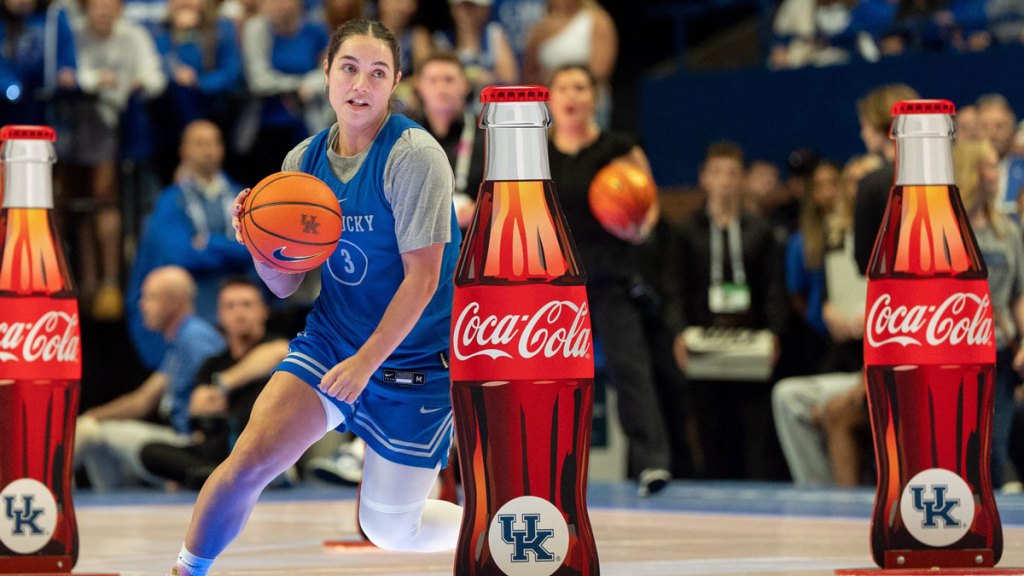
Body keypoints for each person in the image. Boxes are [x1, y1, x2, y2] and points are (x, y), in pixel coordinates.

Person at [167, 19, 462, 576]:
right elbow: (284, 284)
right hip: (333, 342)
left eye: (378, 73)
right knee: (250, 459)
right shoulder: (302, 162)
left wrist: (365, 364)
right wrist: (258, 241)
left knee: (389, 529)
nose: (361, 84)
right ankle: (186, 570)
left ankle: (492, 527)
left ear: (395, 82)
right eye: (349, 68)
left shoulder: (415, 156)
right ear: (326, 73)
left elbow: (422, 281)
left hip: (416, 361)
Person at [546, 63, 671, 495]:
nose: (572, 95)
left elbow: (648, 204)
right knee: (551, 377)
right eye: (563, 86)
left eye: (581, 87)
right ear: (550, 98)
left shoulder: (619, 148)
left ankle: (651, 463)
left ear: (594, 97)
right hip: (558, 283)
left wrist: (640, 225)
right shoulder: (540, 155)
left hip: (611, 278)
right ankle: (547, 463)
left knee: (628, 368)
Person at [666, 141, 789, 481]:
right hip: (704, 342)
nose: (724, 181)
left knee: (755, 436)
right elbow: (674, 288)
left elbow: (774, 289)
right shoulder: (685, 232)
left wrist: (776, 334)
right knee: (710, 433)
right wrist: (678, 334)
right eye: (717, 173)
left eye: (732, 174)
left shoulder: (761, 233)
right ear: (704, 178)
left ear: (743, 180)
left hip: (751, 342)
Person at [772, 154, 877, 486]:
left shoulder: (902, 239)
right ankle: (817, 493)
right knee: (788, 397)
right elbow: (822, 302)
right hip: (843, 359)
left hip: (881, 372)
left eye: (867, 183)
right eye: (853, 182)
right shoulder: (835, 238)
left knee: (835, 409)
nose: (858, 190)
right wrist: (831, 312)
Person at [75, 266, 226, 491]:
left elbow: (217, 396)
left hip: (188, 445)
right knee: (91, 427)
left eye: (150, 297)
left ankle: (47, 487)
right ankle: (113, 502)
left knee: (90, 432)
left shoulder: (195, 339)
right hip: (175, 436)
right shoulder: (181, 339)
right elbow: (143, 400)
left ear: (174, 301)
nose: (141, 304)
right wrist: (94, 415)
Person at [63, 0, 166, 319]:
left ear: (119, 10)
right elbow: (66, 75)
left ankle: (110, 282)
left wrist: (137, 83)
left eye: (110, 7)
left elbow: (155, 78)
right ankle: (86, 283)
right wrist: (94, 80)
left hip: (120, 130)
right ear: (87, 10)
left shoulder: (133, 35)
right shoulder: (73, 34)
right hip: (74, 124)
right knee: (80, 206)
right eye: (98, 7)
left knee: (106, 202)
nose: (104, 13)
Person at [141, 276, 289, 490]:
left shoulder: (276, 346)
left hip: (264, 450)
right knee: (151, 451)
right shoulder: (212, 363)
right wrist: (199, 410)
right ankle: (208, 476)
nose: (239, 312)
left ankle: (214, 478)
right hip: (219, 453)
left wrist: (223, 383)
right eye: (230, 306)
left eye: (247, 305)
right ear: (220, 315)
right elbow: (199, 412)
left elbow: (278, 352)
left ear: (263, 311)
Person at [126, 119, 253, 369]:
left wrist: (207, 244)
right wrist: (232, 248)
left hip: (235, 322)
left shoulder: (243, 196)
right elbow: (181, 254)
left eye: (215, 142)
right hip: (192, 319)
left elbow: (256, 250)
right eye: (200, 143)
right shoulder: (169, 201)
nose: (209, 150)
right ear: (184, 151)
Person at [951, 138, 1024, 489]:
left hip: (1000, 351)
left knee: (994, 447)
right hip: (958, 353)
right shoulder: (948, 231)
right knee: (962, 446)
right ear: (971, 171)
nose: (997, 174)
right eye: (990, 166)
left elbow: (1018, 296)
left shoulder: (1007, 231)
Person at [412, 51, 485, 230]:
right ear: (419, 86)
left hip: (471, 238)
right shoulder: (404, 136)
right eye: (433, 80)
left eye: (449, 80)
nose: (441, 88)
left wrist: (481, 210)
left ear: (465, 85)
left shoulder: (486, 136)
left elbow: (505, 195)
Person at [852, 82, 920, 274]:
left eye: (865, 126)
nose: (862, 134)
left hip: (895, 294)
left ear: (880, 124)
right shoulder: (943, 176)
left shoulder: (872, 184)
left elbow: (865, 260)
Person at [523, 0, 616, 128]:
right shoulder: (539, 27)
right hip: (552, 106)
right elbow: (530, 73)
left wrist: (567, 85)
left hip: (589, 106)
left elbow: (600, 70)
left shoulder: (597, 20)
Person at [0, 0, 77, 127]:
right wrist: (8, 86)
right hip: (7, 105)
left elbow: (66, 51)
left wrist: (65, 69)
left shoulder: (53, 15)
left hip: (46, 102)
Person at [977, 93, 1024, 219]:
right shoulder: (957, 175)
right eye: (984, 126)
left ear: (1013, 131)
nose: (991, 134)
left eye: (1000, 126)